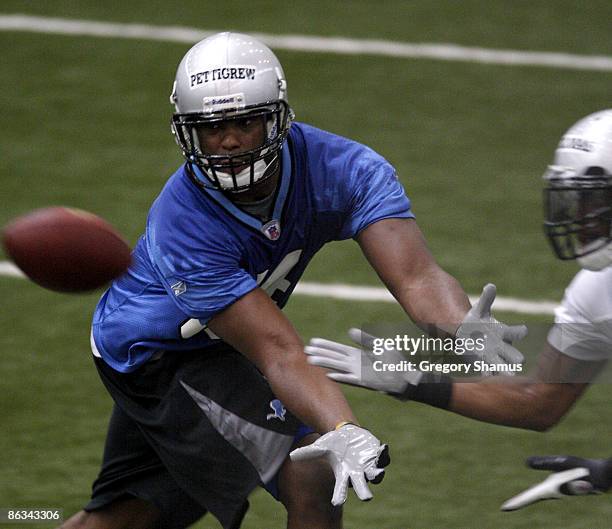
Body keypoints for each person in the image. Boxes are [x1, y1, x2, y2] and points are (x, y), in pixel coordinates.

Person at [59, 32, 523, 529]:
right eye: (212, 128)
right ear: (188, 132)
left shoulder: (345, 169)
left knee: (126, 516)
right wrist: (342, 428)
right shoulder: (183, 221)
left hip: (198, 344)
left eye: (244, 122)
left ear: (277, 117)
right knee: (315, 470)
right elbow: (276, 350)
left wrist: (460, 326)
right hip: (160, 353)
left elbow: (416, 275)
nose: (230, 141)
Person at [305, 109, 612, 506]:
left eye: (595, 201)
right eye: (578, 201)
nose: (581, 217)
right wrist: (412, 380)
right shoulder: (596, 289)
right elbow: (539, 401)